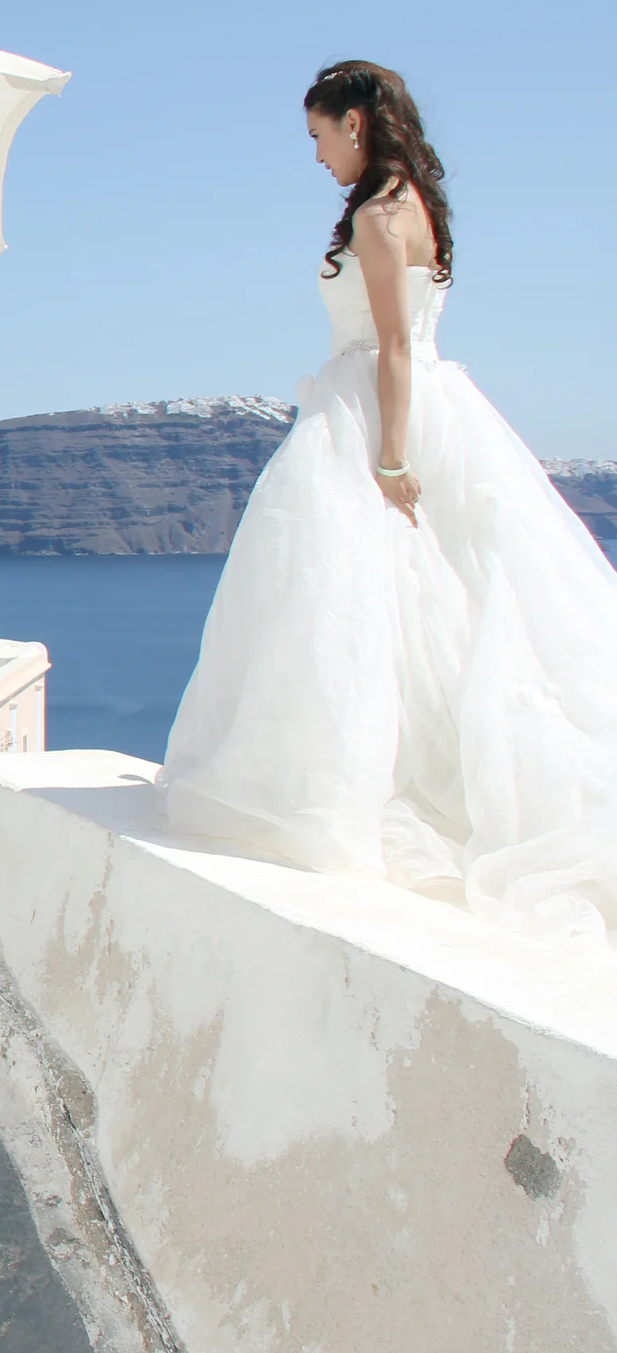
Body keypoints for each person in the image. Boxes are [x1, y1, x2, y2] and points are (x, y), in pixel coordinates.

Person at [160, 61, 617, 947]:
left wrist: (392, 457)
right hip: (449, 411)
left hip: (379, 414)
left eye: (320, 134)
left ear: (357, 123)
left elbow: (395, 346)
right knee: (445, 611)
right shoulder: (423, 207)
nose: (318, 153)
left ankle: (359, 794)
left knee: (355, 610)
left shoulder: (377, 217)